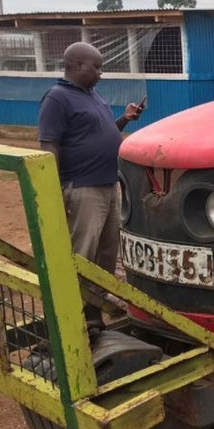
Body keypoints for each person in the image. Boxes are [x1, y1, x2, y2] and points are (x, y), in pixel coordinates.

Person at [38, 41, 144, 340]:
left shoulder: (91, 94)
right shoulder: (57, 99)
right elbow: (48, 146)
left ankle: (94, 314)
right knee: (82, 254)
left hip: (108, 185)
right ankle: (69, 320)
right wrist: (52, 191)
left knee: (107, 255)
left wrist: (125, 119)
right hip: (83, 188)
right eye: (96, 67)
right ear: (75, 65)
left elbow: (103, 131)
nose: (101, 73)